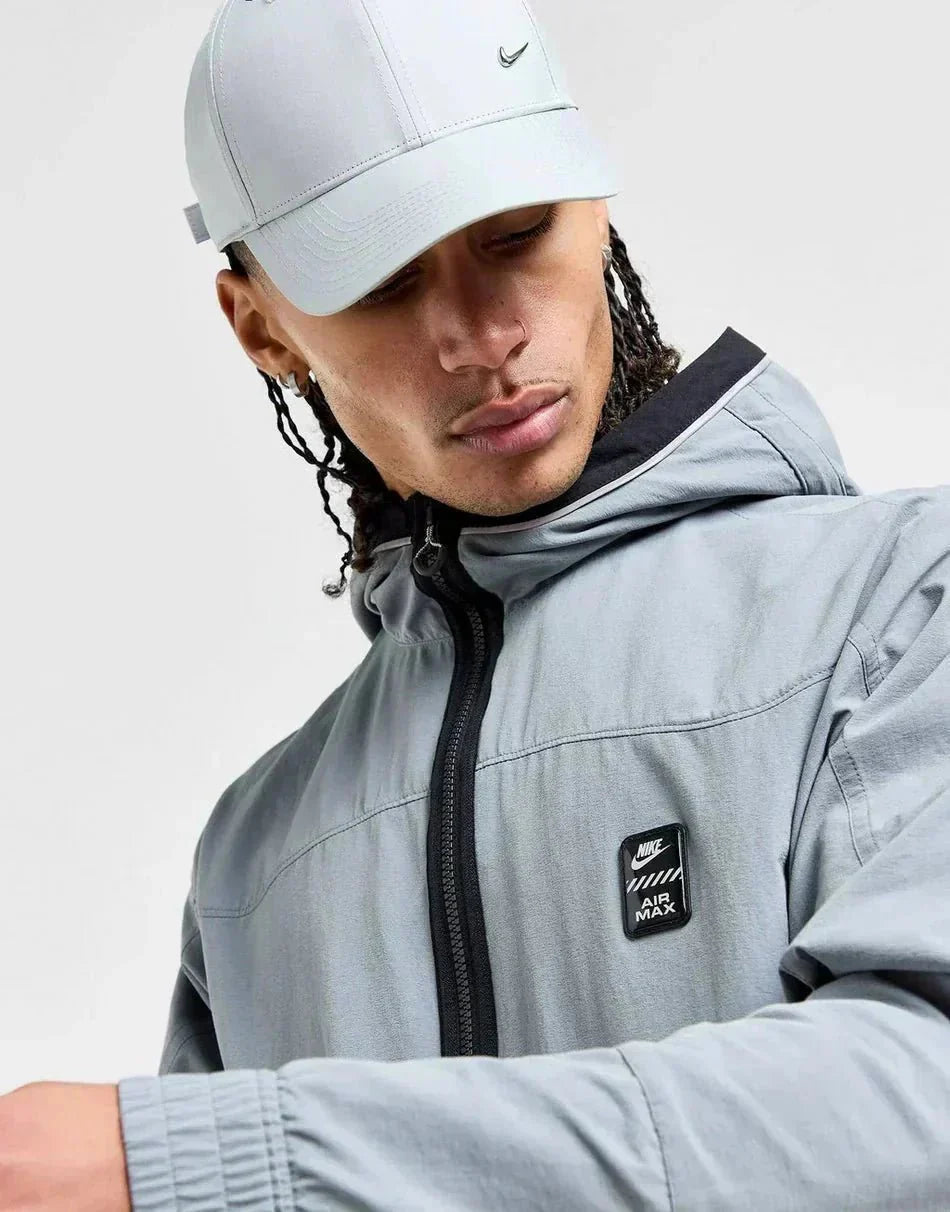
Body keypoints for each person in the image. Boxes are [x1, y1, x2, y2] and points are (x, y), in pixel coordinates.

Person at [6, 0, 947, 1208]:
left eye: (514, 233)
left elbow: (918, 1101)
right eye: (384, 282)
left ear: (591, 200)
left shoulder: (897, 606)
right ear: (260, 327)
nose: (481, 336)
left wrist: (228, 1160)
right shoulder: (254, 861)